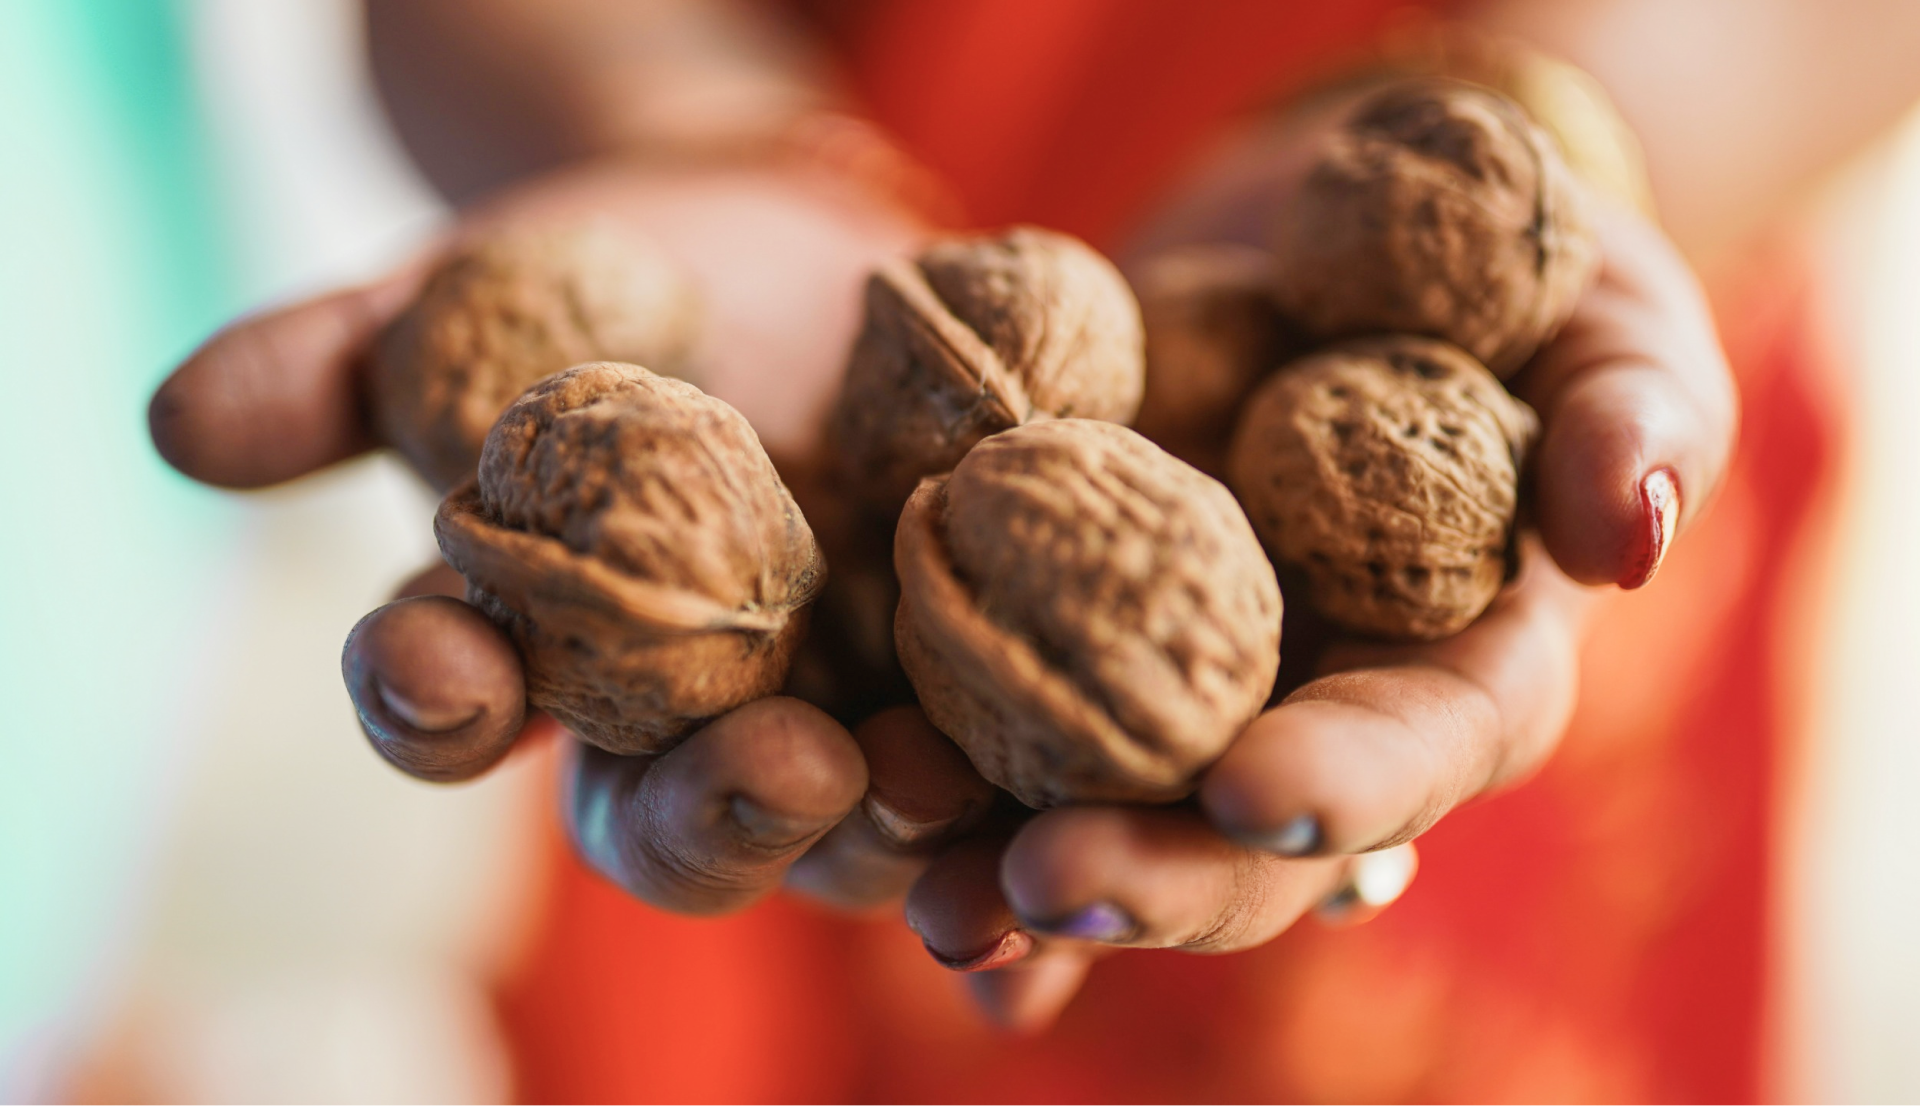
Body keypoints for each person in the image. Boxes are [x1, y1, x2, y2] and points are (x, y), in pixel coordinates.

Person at [147, 0, 1920, 1100]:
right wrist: (671, 121)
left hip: (1509, 304)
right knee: (786, 823)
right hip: (803, 351)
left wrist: (1561, 127)